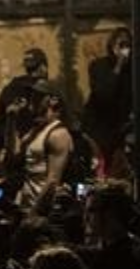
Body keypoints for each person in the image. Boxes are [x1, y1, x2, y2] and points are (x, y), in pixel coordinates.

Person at [8, 82, 73, 209]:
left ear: (53, 100)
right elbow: (13, 155)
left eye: (38, 95)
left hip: (44, 215)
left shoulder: (58, 134)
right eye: (32, 95)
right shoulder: (35, 131)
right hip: (27, 208)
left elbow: (53, 180)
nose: (32, 99)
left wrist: (35, 214)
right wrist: (11, 119)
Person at [84, 27, 133, 179]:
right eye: (121, 44)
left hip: (121, 130)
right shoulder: (98, 66)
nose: (124, 49)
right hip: (99, 129)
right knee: (97, 172)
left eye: (127, 45)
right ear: (112, 46)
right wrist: (118, 65)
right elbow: (104, 96)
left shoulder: (133, 70)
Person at [0, 47, 51, 152]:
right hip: (37, 152)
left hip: (10, 152)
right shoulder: (46, 90)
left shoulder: (10, 88)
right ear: (43, 67)